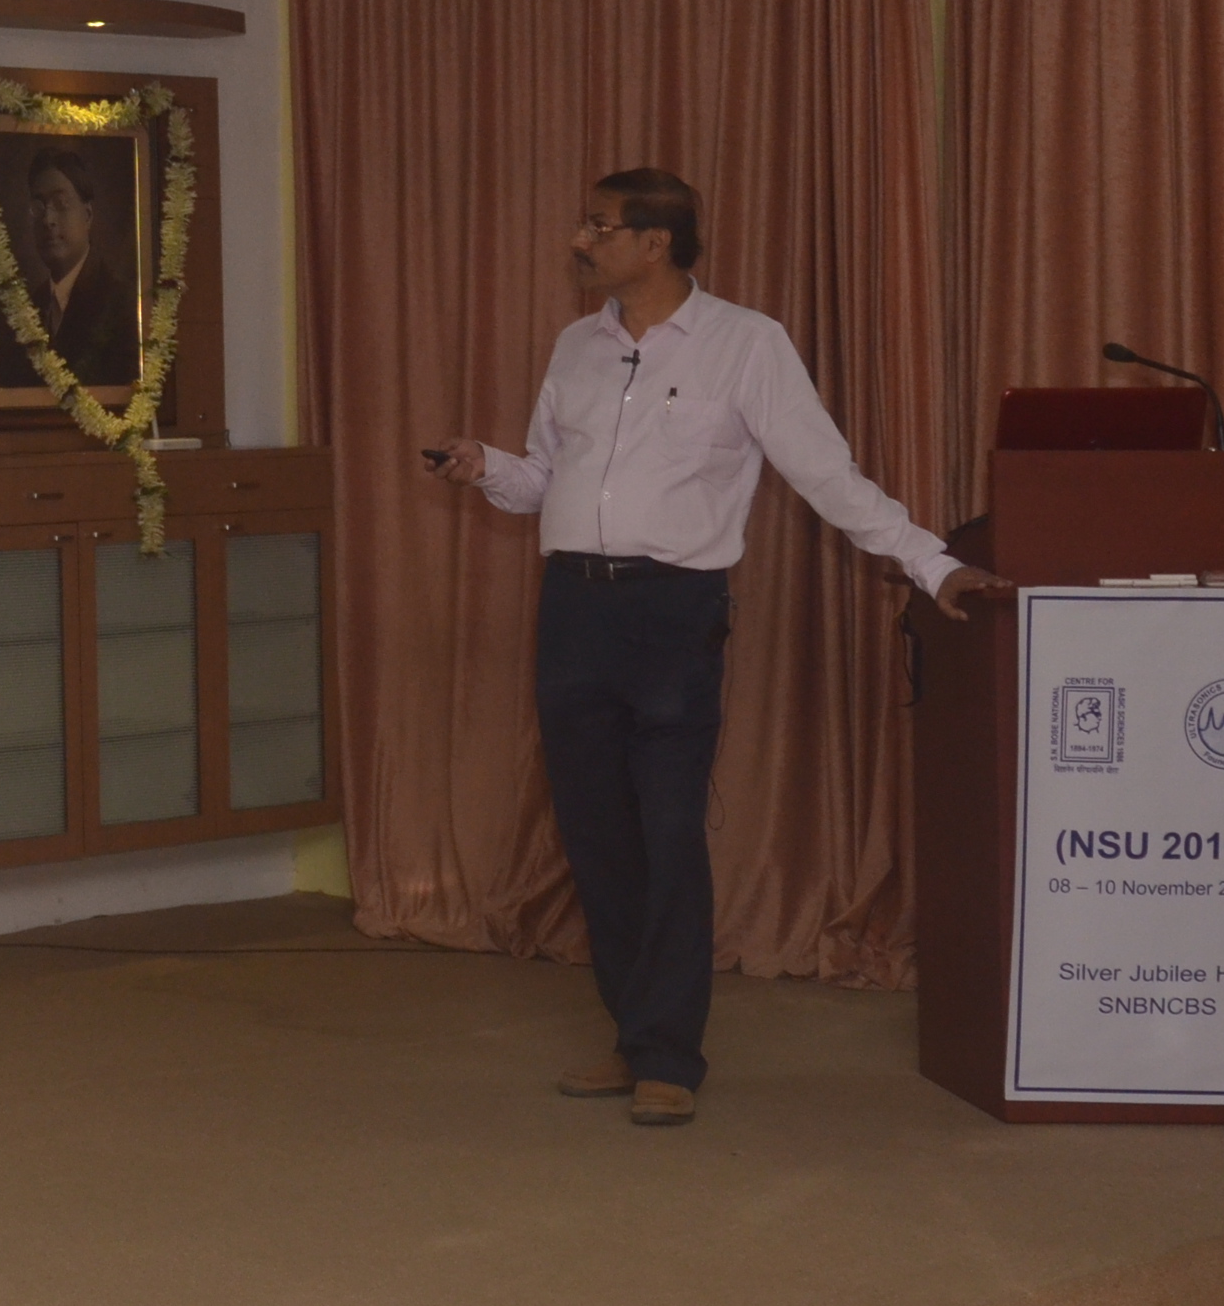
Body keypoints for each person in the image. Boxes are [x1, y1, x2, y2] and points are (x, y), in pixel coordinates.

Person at [421, 174, 1003, 1129]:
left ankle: (668, 1054)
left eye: (599, 226)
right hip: (573, 610)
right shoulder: (576, 346)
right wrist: (488, 467)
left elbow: (827, 474)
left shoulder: (746, 344)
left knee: (666, 829)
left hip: (673, 614)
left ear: (656, 243)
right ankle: (632, 1032)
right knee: (596, 835)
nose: (580, 241)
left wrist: (930, 562)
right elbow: (545, 481)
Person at [6, 145, 138, 389]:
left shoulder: (122, 303)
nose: (48, 219)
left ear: (87, 215)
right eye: (39, 206)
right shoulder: (28, 308)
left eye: (61, 203)